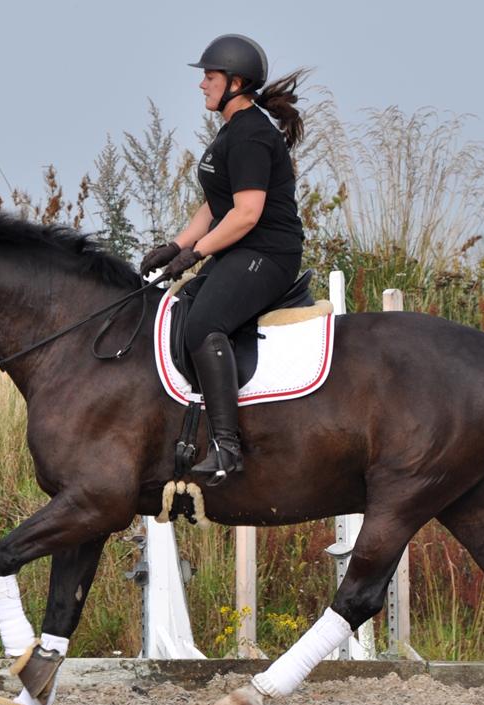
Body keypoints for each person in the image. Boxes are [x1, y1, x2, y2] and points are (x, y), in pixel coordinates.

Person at [140, 34, 308, 483]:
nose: (202, 85)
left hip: (267, 254)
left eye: (209, 77)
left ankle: (227, 446)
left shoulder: (252, 134)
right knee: (181, 312)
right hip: (241, 249)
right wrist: (175, 246)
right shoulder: (231, 131)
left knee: (202, 324)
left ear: (236, 81)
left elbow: (247, 214)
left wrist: (197, 253)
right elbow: (215, 205)